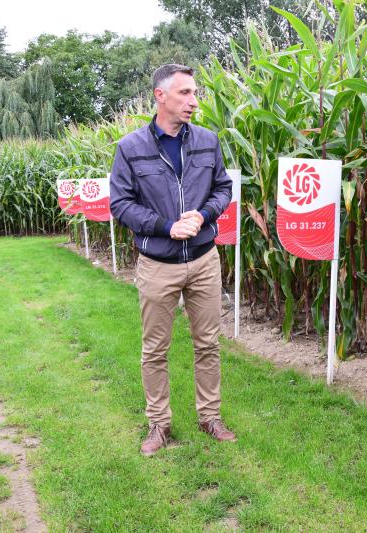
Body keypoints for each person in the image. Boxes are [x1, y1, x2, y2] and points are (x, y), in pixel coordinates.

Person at [110, 63, 235, 456]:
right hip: (157, 265)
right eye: (185, 93)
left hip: (203, 260)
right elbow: (120, 204)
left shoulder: (207, 142)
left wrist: (204, 215)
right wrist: (166, 226)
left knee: (208, 344)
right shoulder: (130, 149)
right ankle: (159, 425)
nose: (194, 102)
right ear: (160, 96)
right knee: (155, 350)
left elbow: (223, 187)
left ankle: (209, 416)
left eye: (195, 94)